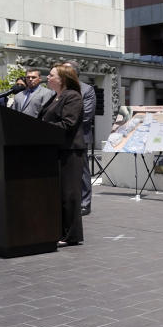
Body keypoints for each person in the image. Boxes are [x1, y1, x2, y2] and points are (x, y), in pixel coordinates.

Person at [39, 63, 85, 246]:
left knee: (69, 194)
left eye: (51, 75)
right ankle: (58, 230)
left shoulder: (72, 97)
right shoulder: (54, 97)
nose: (47, 78)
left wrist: (40, 129)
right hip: (55, 150)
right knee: (58, 193)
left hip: (70, 151)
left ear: (63, 79)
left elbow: (68, 124)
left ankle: (71, 235)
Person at [64, 61, 96, 216]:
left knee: (82, 172)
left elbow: (87, 116)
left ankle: (85, 203)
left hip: (80, 136)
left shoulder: (87, 90)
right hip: (63, 136)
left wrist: (65, 122)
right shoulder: (60, 90)